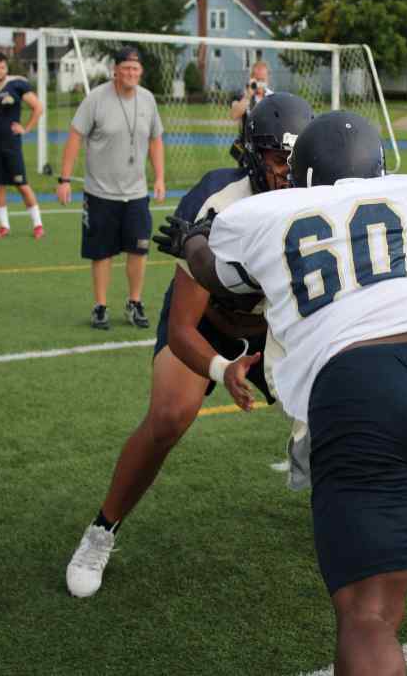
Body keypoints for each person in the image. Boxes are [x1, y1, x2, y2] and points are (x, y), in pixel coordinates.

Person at [155, 111, 407, 676]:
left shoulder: (264, 212)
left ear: (300, 176)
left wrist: (193, 237)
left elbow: (214, 274)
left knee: (369, 616)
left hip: (364, 389)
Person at [64, 92, 314, 599]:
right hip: (211, 325)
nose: (288, 170)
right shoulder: (218, 203)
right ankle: (101, 530)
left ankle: (345, 508)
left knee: (345, 407)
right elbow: (183, 327)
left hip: (282, 329)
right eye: (276, 157)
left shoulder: (319, 200)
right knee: (169, 417)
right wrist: (223, 369)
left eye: (296, 157)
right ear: (251, 154)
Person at [57, 46, 166, 330]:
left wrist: (159, 178)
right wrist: (65, 179)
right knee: (102, 252)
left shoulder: (148, 100)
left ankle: (134, 302)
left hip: (136, 193)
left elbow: (155, 140)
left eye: (135, 69)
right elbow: (74, 137)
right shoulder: (96, 99)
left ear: (140, 72)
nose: (131, 73)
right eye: (126, 68)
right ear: (115, 70)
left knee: (139, 250)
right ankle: (100, 306)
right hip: (100, 192)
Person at [0, 52, 45, 239]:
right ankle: (4, 225)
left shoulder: (17, 85)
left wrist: (26, 129)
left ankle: (37, 224)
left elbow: (38, 107)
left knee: (22, 184)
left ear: (7, 68)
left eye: (2, 67)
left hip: (12, 144)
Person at [229, 60, 272, 125]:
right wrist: (248, 95)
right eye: (257, 80)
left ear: (268, 79)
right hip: (249, 134)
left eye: (262, 80)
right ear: (251, 78)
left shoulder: (272, 96)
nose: (260, 83)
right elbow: (234, 116)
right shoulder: (241, 95)